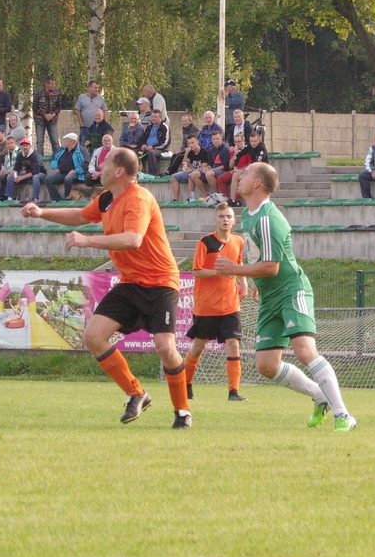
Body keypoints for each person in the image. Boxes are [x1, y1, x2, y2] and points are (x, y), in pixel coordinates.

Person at [22, 147, 193, 427]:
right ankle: (136, 393)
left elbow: (133, 239)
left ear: (119, 171)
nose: (99, 168)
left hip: (160, 282)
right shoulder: (106, 199)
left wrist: (88, 241)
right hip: (130, 282)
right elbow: (79, 216)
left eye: (105, 164)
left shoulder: (139, 199)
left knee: (165, 347)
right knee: (93, 337)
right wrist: (41, 213)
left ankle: (182, 411)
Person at [213, 162, 357, 431]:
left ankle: (343, 415)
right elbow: (261, 258)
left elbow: (272, 266)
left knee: (305, 350)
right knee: (266, 366)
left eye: (246, 173)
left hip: (292, 290)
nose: (239, 177)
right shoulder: (250, 215)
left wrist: (234, 269)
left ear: (257, 183)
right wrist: (256, 283)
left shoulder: (268, 218)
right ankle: (320, 396)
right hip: (270, 296)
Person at [184, 203, 250, 402]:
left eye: (229, 216)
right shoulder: (206, 242)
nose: (225, 220)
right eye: (221, 216)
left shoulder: (238, 241)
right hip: (206, 306)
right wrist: (220, 272)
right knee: (198, 347)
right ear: (215, 220)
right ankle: (185, 385)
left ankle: (233, 392)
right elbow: (197, 271)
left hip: (230, 304)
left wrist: (244, 282)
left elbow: (238, 263)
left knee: (233, 344)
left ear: (234, 220)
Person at [227, 127, 268, 204]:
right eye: (251, 141)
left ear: (259, 141)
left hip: (261, 171)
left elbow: (257, 164)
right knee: (235, 175)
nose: (253, 143)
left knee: (242, 175)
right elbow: (238, 154)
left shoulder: (261, 149)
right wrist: (235, 166)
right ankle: (233, 199)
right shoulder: (249, 146)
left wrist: (242, 171)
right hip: (252, 169)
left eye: (255, 141)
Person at [44, 132, 87, 202]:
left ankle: (68, 198)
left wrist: (76, 170)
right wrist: (55, 167)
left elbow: (86, 163)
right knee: (48, 180)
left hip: (76, 173)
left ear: (72, 141)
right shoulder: (62, 149)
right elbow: (53, 157)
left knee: (68, 179)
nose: (64, 141)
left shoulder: (82, 150)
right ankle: (56, 199)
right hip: (62, 172)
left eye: (66, 140)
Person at [5, 138, 45, 203]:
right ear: (21, 146)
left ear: (30, 146)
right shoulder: (20, 154)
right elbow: (16, 168)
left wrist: (21, 177)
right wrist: (14, 173)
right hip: (28, 173)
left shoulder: (35, 155)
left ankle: (35, 198)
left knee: (35, 177)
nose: (25, 147)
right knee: (11, 176)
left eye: (27, 145)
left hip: (40, 173)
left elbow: (36, 171)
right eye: (23, 145)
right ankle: (10, 197)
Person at [32, 75, 63, 156]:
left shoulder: (57, 93)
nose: (53, 86)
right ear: (46, 84)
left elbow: (59, 107)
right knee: (39, 142)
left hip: (52, 120)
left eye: (54, 84)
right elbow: (35, 107)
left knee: (55, 141)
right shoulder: (38, 93)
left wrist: (53, 114)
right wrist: (44, 115)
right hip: (40, 120)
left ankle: (57, 157)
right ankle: (40, 158)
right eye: (51, 84)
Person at [198, 128, 233, 199]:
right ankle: (206, 194)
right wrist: (207, 168)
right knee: (194, 174)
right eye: (214, 139)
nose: (215, 141)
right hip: (213, 169)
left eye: (217, 139)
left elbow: (225, 166)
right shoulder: (211, 150)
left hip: (222, 170)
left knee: (209, 174)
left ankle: (218, 193)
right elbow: (210, 164)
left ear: (221, 139)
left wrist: (212, 169)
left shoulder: (225, 149)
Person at [170, 135, 207, 202]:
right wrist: (186, 154)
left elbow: (203, 167)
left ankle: (189, 197)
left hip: (201, 172)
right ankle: (175, 199)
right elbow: (184, 164)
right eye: (189, 143)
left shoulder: (204, 152)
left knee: (191, 176)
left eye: (192, 143)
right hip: (192, 171)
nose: (191, 145)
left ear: (197, 142)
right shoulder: (190, 152)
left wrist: (191, 170)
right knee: (174, 177)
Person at [138, 109, 171, 175]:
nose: (153, 118)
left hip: (160, 149)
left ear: (160, 118)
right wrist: (143, 145)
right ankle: (138, 173)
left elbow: (166, 142)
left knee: (151, 153)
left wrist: (153, 147)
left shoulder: (164, 127)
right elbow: (143, 139)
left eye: (155, 117)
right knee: (134, 152)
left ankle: (154, 174)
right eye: (152, 117)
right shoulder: (148, 127)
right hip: (147, 148)